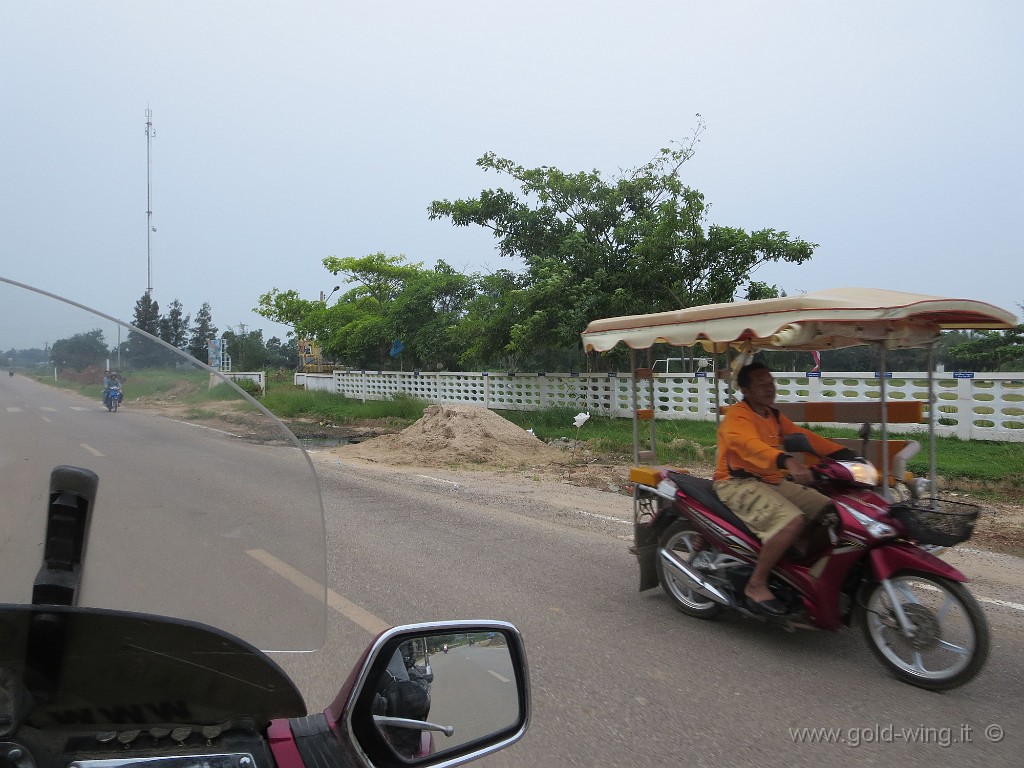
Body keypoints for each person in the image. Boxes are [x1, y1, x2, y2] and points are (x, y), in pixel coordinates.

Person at [714, 361, 856, 616]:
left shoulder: (773, 415)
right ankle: (756, 584)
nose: (769, 388)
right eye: (761, 384)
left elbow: (804, 437)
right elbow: (748, 445)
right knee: (791, 521)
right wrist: (785, 460)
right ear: (746, 390)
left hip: (770, 481)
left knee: (832, 510)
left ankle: (799, 564)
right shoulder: (737, 416)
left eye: (771, 383)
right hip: (736, 483)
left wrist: (843, 453)